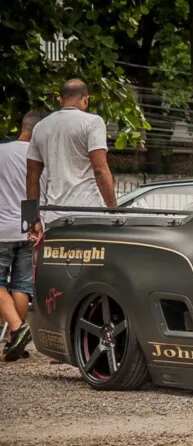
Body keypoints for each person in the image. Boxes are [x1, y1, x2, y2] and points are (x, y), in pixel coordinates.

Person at [26, 78, 116, 239]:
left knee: (59, 262)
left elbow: (31, 177)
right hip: (87, 213)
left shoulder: (41, 127)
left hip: (54, 216)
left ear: (61, 99)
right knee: (89, 261)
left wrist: (31, 222)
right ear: (85, 99)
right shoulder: (93, 122)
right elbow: (100, 170)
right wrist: (114, 211)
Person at [0, 110, 46, 361]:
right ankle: (12, 343)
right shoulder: (40, 160)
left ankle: (17, 328)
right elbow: (38, 194)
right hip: (28, 227)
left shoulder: (2, 152)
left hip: (0, 229)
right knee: (20, 286)